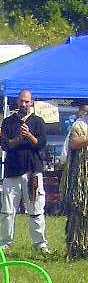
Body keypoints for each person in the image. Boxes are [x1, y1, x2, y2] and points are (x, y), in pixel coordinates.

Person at [0, 89, 49, 253]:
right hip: (12, 171)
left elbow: (41, 144)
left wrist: (29, 135)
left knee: (36, 209)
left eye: (27, 101)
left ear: (31, 102)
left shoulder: (38, 122)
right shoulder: (8, 122)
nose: (24, 104)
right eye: (21, 101)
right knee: (7, 211)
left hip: (33, 171)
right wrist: (19, 138)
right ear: (17, 102)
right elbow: (4, 145)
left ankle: (40, 244)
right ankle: (5, 243)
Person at [60, 105, 88, 259]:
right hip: (82, 180)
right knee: (79, 213)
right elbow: (73, 143)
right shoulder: (80, 125)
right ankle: (76, 248)